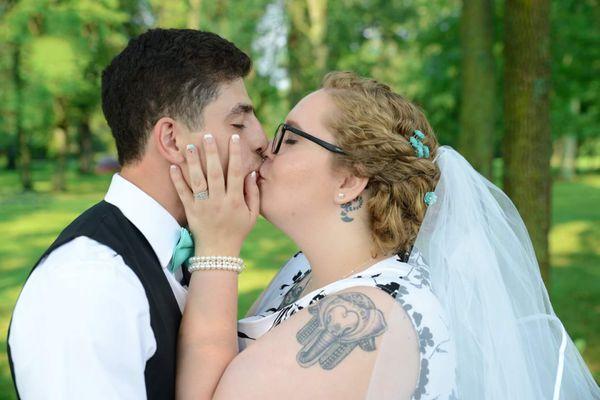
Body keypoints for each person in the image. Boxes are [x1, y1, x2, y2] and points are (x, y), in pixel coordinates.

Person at [171, 71, 600, 399]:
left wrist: (219, 249)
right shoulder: (306, 271)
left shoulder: (371, 313)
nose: (265, 146)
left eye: (290, 137)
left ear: (352, 180)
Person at [7, 28, 268, 399]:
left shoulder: (186, 248)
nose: (261, 140)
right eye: (238, 124)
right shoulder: (89, 285)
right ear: (172, 140)